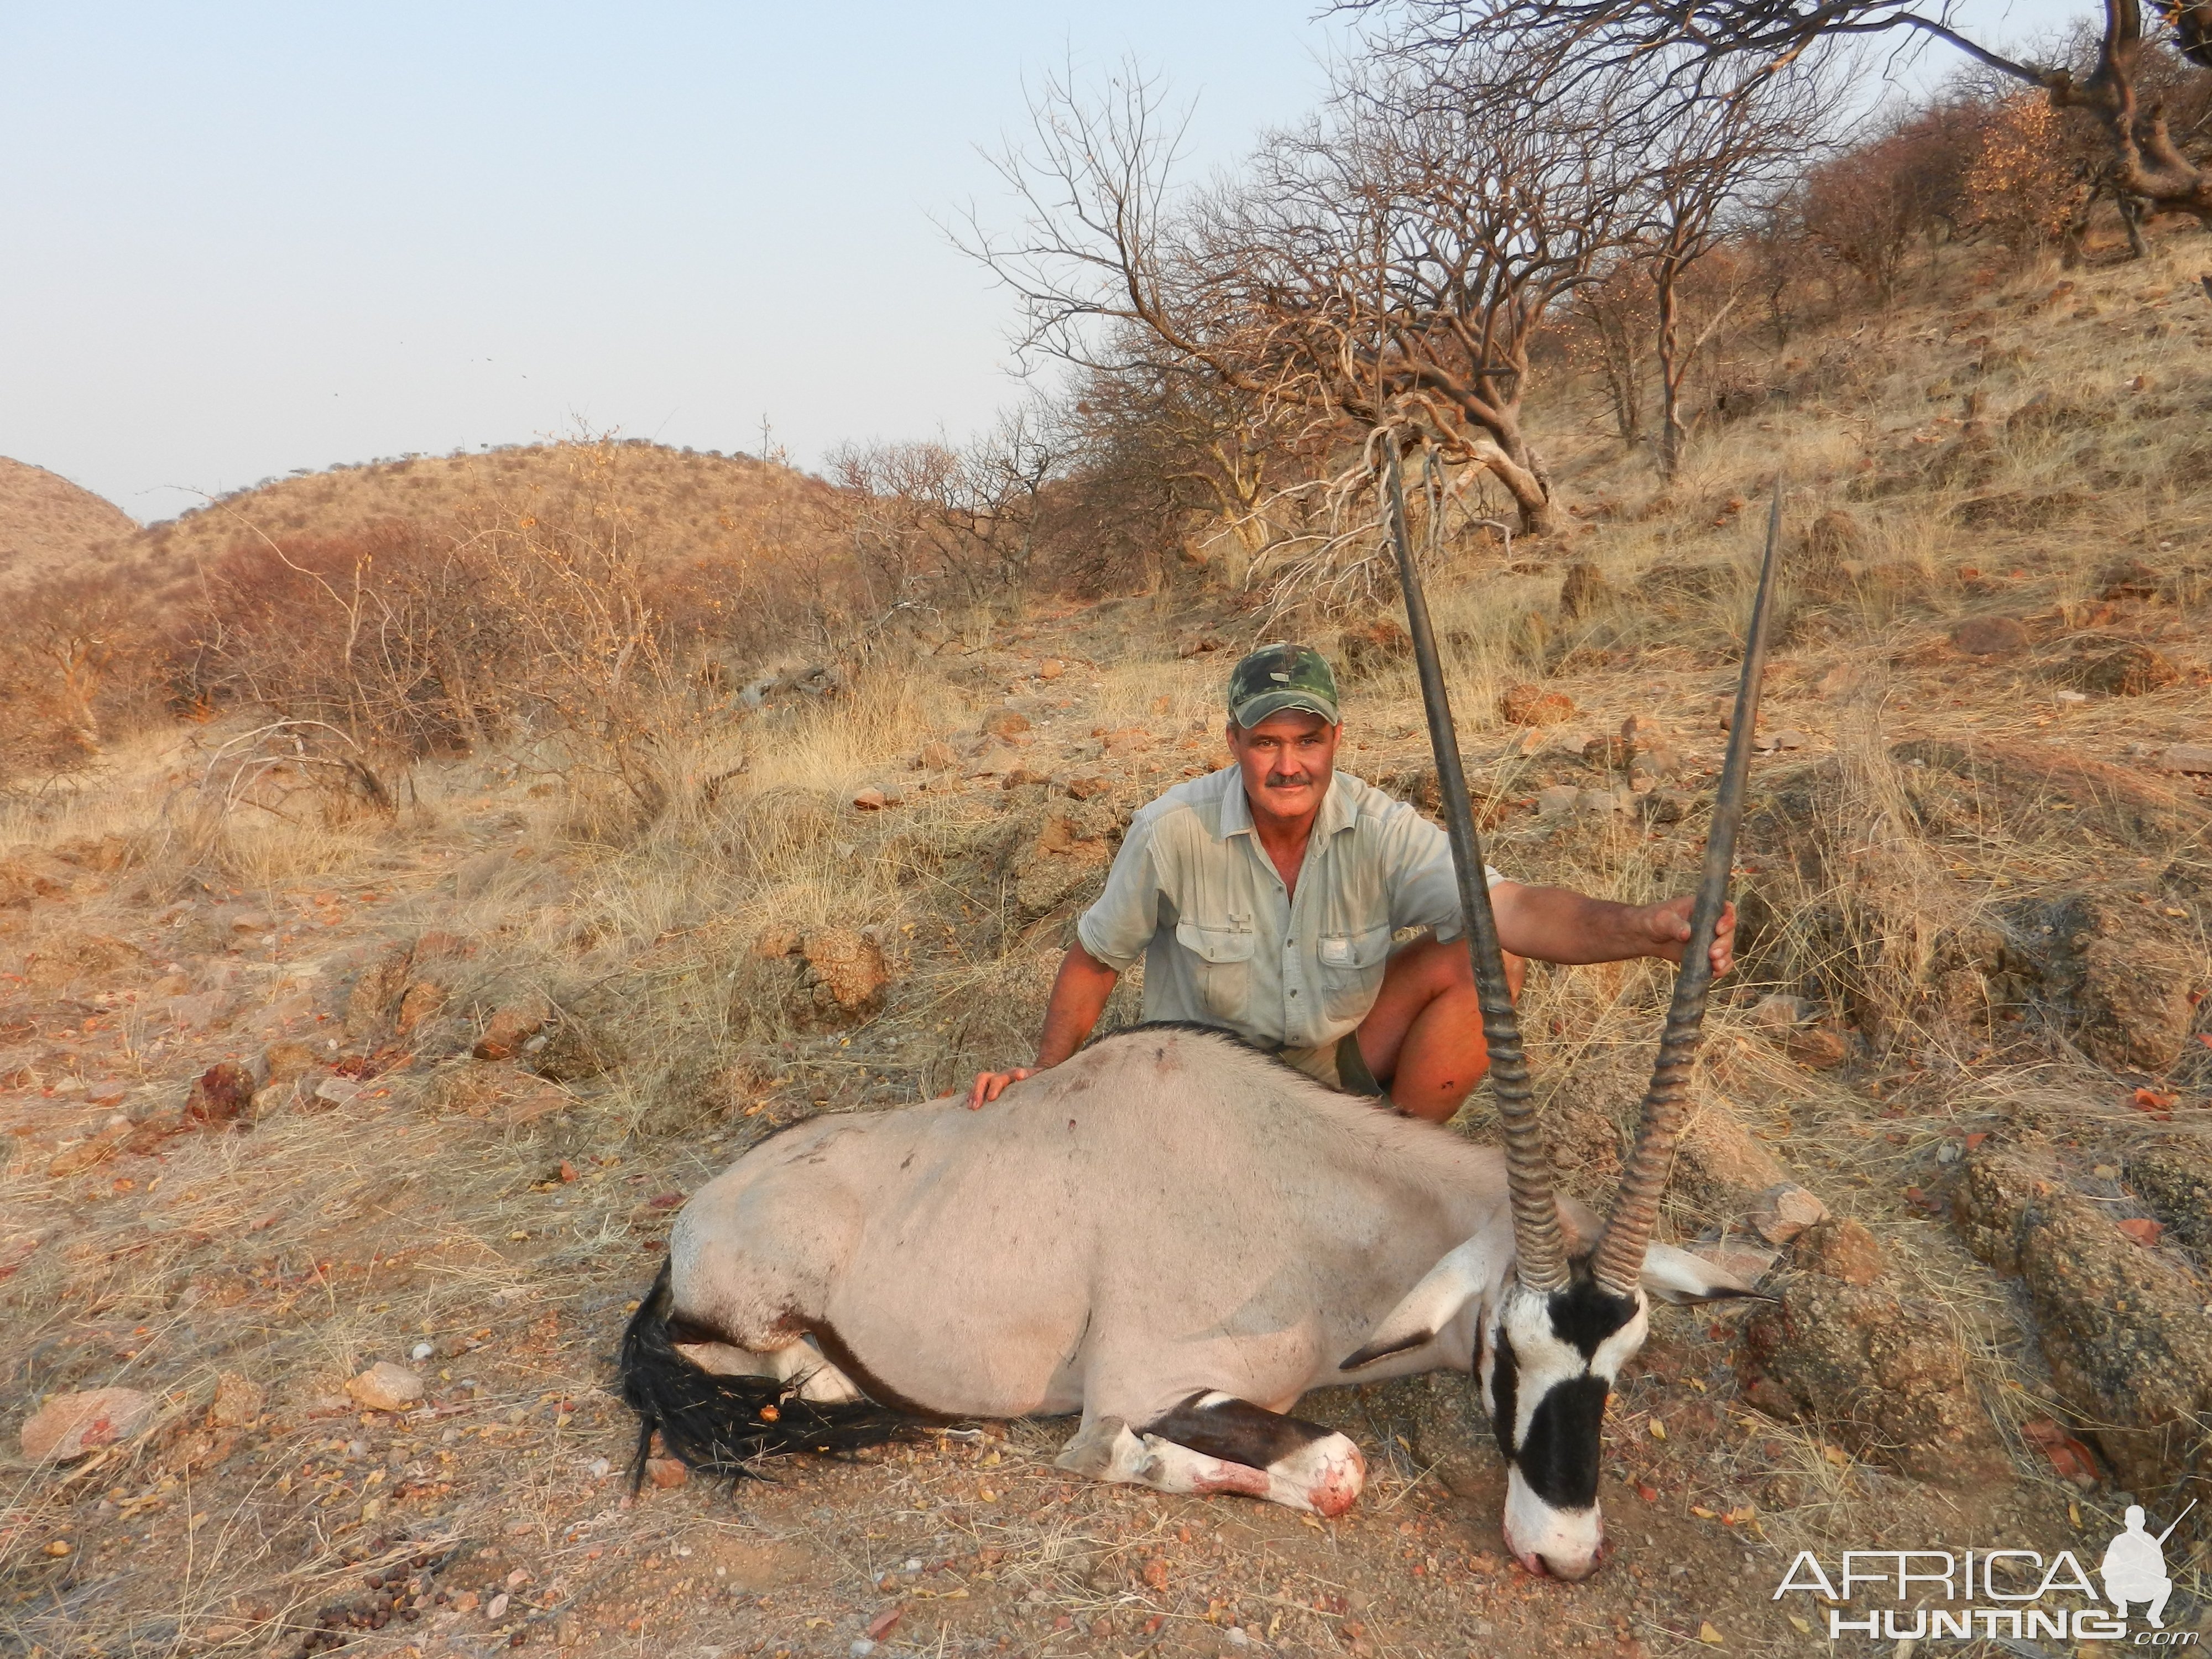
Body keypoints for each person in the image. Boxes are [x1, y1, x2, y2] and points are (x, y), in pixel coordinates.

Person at [968, 642, 1735, 1122]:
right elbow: (1095, 962)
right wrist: (1044, 1079)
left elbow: (1516, 908)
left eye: (1306, 741)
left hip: (1331, 1067)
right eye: (1265, 742)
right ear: (1234, 742)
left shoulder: (1380, 825)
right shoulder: (1171, 830)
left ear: (1336, 739)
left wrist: (1646, 931)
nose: (1287, 765)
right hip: (1197, 1087)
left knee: (1491, 954)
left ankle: (1392, 1158)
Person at [2100, 1506, 2174, 1627]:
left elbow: (2162, 1570)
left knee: (2166, 1584)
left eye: (2138, 1521)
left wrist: (2148, 1569)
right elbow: (2106, 1571)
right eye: (2132, 1521)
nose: (2135, 1524)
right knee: (2109, 1584)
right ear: (2126, 1523)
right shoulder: (2119, 1541)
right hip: (2124, 1587)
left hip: (2146, 1587)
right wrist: (2125, 1569)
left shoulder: (2151, 1541)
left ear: (2144, 1522)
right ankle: (2122, 1607)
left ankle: (2154, 1615)